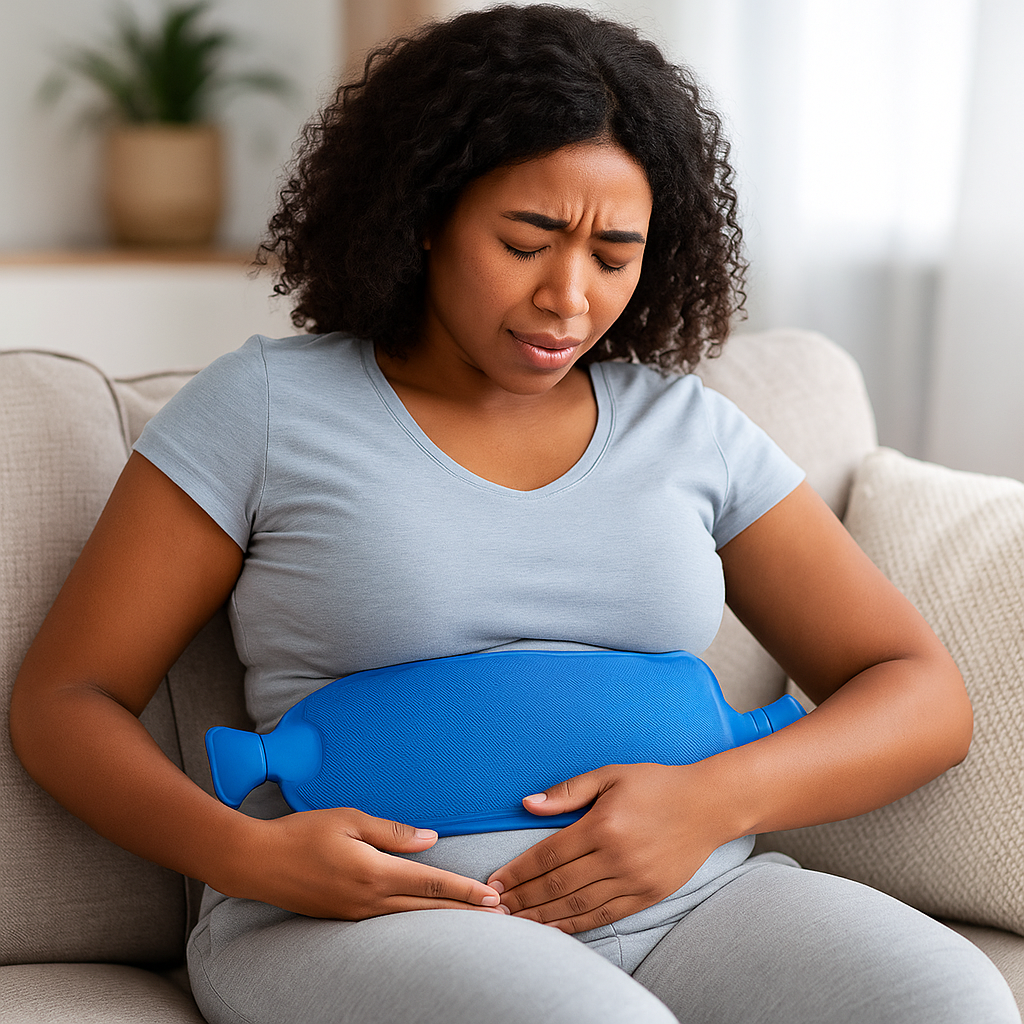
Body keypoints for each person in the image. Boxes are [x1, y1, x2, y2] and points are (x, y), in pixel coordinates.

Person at [10, 6, 1020, 1023]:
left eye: (613, 254)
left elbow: (920, 694)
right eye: (527, 240)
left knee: (951, 1000)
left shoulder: (688, 430)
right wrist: (250, 855)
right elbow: (67, 697)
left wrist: (713, 801)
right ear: (424, 214)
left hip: (695, 898)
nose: (568, 297)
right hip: (365, 922)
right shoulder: (267, 408)